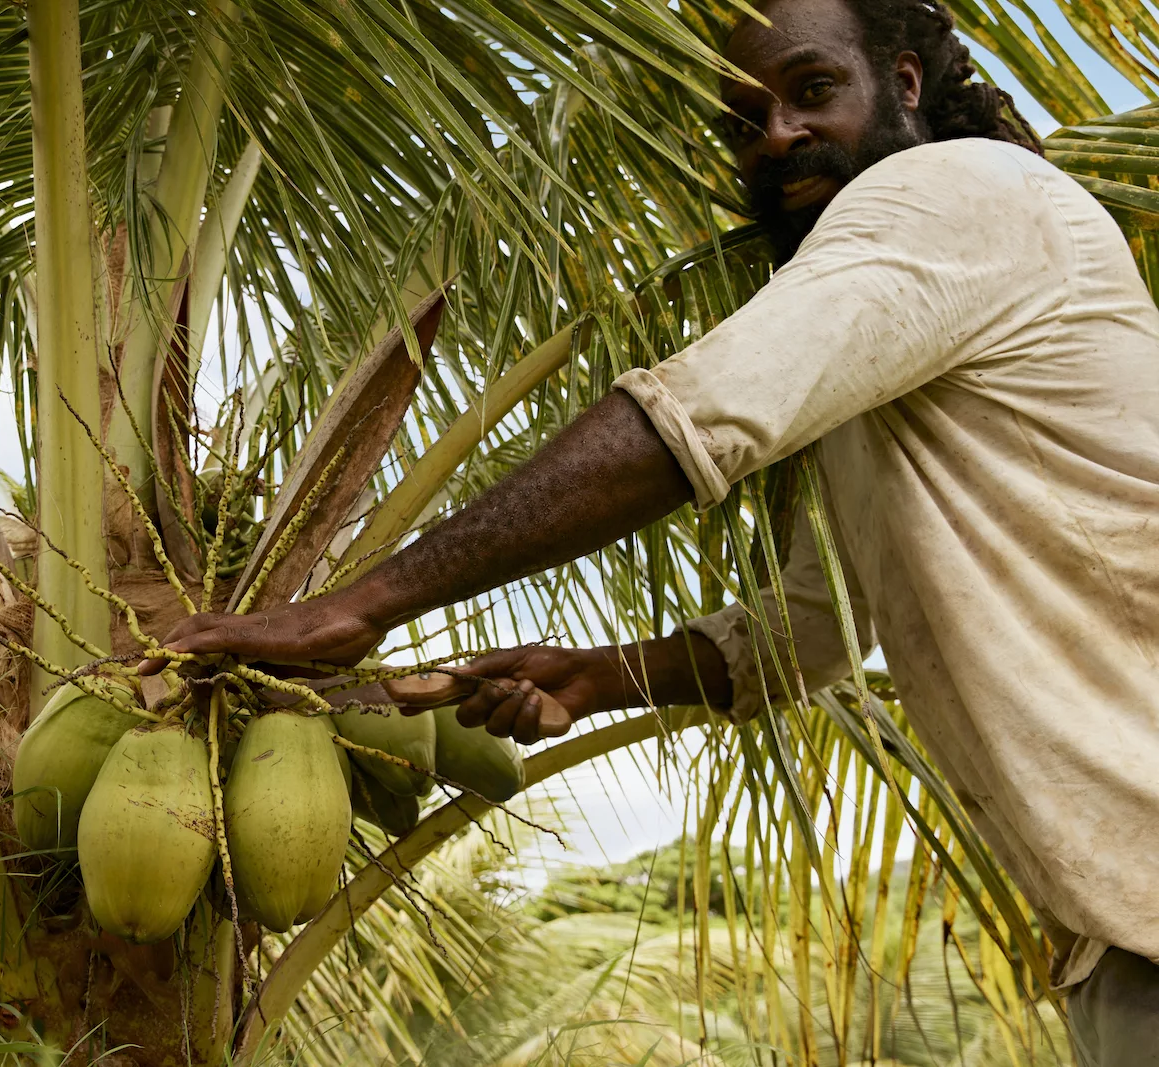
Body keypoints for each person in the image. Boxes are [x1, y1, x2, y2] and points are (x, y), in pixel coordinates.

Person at [146, 0, 1159, 1058]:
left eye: (811, 92)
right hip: (1119, 940)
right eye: (742, 120)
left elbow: (694, 417)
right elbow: (812, 624)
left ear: (904, 86)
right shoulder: (899, 358)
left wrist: (352, 608)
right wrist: (596, 675)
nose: (775, 135)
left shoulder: (953, 194)